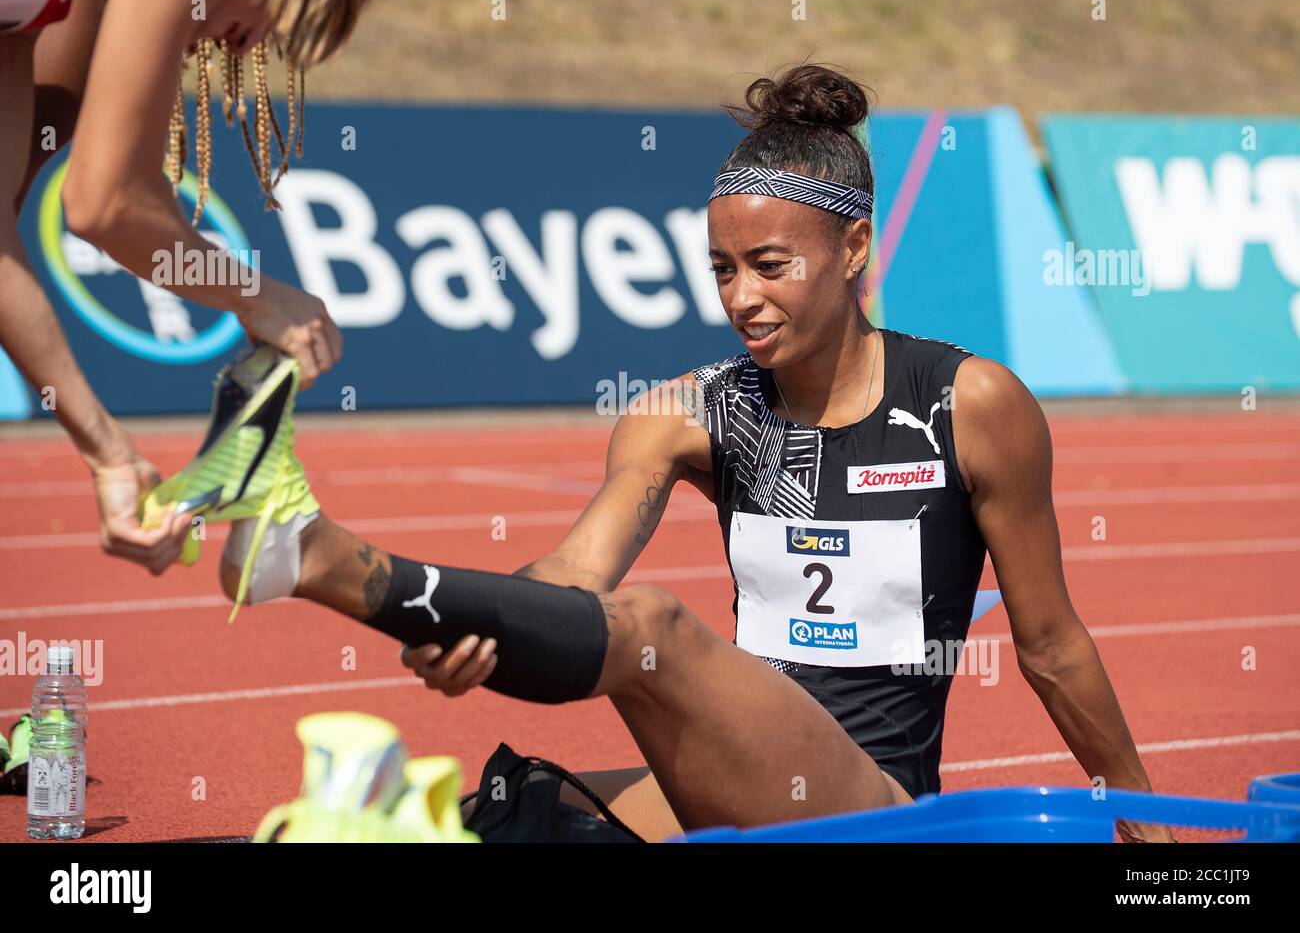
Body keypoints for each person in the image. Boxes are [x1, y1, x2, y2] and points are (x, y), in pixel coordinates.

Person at [176, 63, 1170, 842]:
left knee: (654, 622)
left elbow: (1048, 642)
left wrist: (1142, 810)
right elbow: (571, 576)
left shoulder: (970, 402)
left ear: (855, 249)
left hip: (873, 805)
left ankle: (315, 554)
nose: (740, 296)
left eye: (769, 266)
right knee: (517, 809)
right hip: (739, 769)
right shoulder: (683, 415)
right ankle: (323, 575)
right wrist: (480, 625)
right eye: (722, 269)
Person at [0, 0, 378, 573]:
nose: (254, 45)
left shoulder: (43, 4)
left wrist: (108, 452)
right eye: (279, 26)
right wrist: (256, 298)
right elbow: (106, 202)